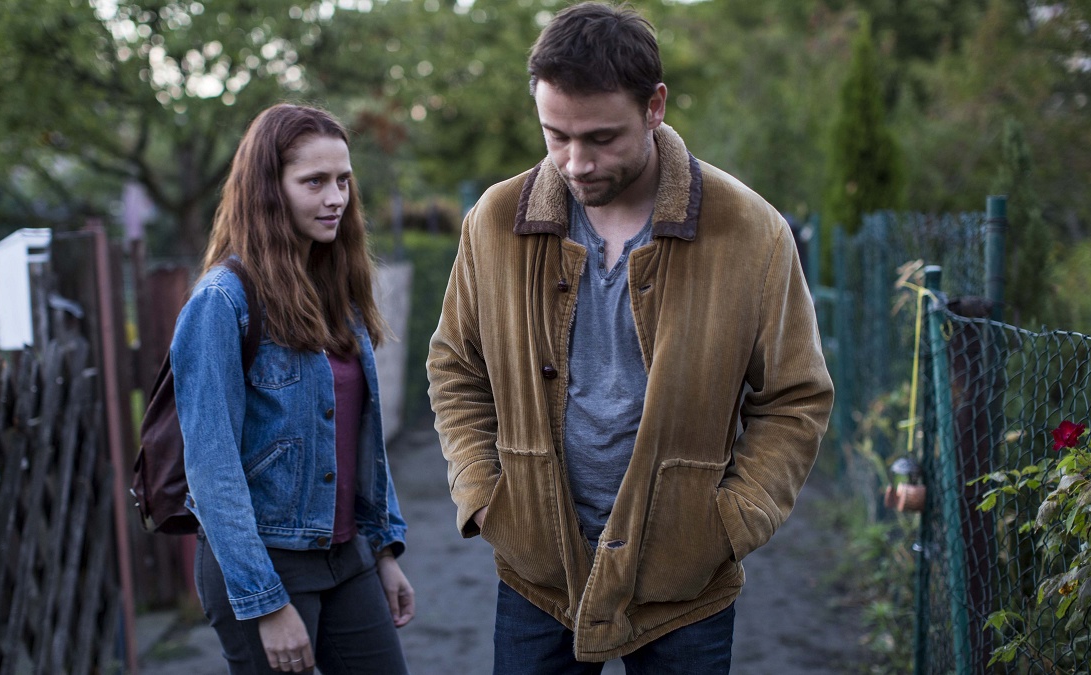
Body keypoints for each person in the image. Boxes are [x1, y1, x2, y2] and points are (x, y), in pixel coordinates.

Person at [426, 3, 834, 673]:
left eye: (601, 138)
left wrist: (735, 520)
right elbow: (455, 366)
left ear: (655, 107)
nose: (576, 162)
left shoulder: (750, 230)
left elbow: (794, 397)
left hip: (684, 584)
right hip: (538, 573)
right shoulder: (494, 221)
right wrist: (483, 492)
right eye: (556, 135)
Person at [172, 103, 414, 675]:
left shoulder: (336, 293)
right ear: (268, 189)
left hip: (346, 555)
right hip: (266, 561)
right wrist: (265, 602)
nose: (336, 198)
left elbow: (361, 440)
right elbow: (211, 469)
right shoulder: (222, 302)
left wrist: (383, 549)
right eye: (314, 182)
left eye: (343, 181)